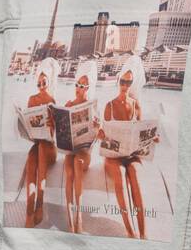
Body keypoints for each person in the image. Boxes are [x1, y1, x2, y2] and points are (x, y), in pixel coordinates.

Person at [101, 55, 154, 239]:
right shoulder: (109, 106)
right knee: (121, 177)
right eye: (122, 81)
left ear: (134, 84)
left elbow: (141, 134)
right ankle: (131, 233)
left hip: (131, 155)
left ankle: (143, 234)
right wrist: (101, 134)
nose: (125, 86)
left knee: (135, 175)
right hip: (113, 157)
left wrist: (152, 138)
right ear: (118, 81)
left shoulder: (136, 106)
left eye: (129, 83)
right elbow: (104, 137)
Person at [61, 59, 98, 234]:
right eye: (78, 84)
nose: (79, 88)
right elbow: (60, 132)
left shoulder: (93, 106)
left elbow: (97, 137)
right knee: (68, 171)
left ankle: (79, 218)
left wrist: (98, 128)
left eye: (84, 85)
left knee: (77, 163)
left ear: (89, 87)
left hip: (84, 152)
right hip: (70, 149)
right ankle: (70, 220)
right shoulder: (68, 105)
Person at [23, 58, 57, 228]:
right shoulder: (31, 100)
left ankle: (40, 204)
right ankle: (29, 210)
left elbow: (54, 134)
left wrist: (50, 126)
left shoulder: (53, 101)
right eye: (39, 83)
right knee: (31, 156)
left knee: (43, 147)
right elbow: (31, 132)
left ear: (49, 82)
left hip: (49, 146)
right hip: (37, 143)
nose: (41, 85)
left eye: (44, 83)